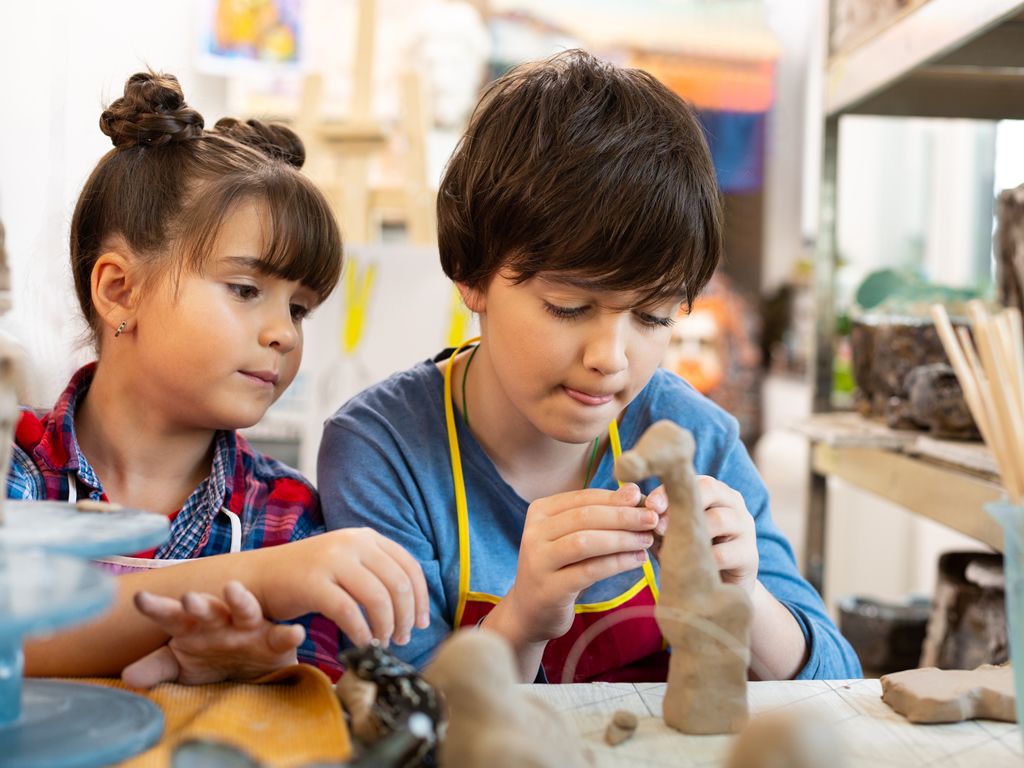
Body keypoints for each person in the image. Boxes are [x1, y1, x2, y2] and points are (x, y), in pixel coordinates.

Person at [318, 50, 861, 683]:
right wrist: (522, 619)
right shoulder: (384, 452)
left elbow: (838, 683)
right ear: (472, 277)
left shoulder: (695, 437)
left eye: (653, 317)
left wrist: (742, 598)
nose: (610, 359)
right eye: (569, 307)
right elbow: (396, 718)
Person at [7, 71, 428, 686]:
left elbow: (318, 697)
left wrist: (266, 667)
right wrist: (256, 580)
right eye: (245, 289)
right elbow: (12, 638)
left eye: (299, 308)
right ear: (119, 290)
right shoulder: (13, 467)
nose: (283, 332)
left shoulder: (287, 517)